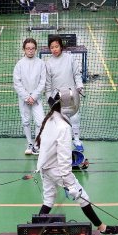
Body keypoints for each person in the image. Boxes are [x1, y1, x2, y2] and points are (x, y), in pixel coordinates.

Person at [35, 88, 118, 235]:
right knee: (83, 197)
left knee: (49, 200)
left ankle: (34, 229)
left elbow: (48, 146)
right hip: (57, 170)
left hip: (44, 168)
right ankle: (102, 228)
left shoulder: (51, 118)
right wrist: (69, 184)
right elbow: (64, 160)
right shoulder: (63, 127)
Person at [44, 35, 85, 168]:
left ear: (61, 46)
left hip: (72, 92)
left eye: (56, 46)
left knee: (75, 117)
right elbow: (48, 84)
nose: (54, 49)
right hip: (57, 96)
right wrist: (49, 98)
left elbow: (77, 74)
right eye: (52, 47)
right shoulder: (48, 63)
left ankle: (77, 140)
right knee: (61, 121)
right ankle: (63, 145)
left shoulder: (70, 58)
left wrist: (79, 86)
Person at [13, 38, 45, 156]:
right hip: (24, 99)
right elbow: (17, 83)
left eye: (32, 49)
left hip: (36, 99)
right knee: (26, 121)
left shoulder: (41, 63)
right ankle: (30, 144)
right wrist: (27, 97)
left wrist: (34, 96)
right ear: (24, 49)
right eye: (28, 48)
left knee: (40, 122)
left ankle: (37, 145)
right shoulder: (19, 64)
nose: (30, 51)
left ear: (35, 49)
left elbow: (43, 81)